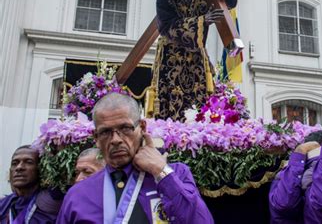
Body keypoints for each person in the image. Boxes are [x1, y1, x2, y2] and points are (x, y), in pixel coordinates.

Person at [57, 93, 213, 223]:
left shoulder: (176, 173)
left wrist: (161, 171)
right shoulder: (78, 195)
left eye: (125, 128)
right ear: (96, 137)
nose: (115, 139)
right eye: (105, 132)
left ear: (143, 128)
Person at [153, 0, 238, 121]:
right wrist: (201, 21)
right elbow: (166, 28)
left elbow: (228, 3)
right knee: (171, 97)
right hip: (172, 54)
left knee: (200, 97)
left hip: (197, 54)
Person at [0, 146, 62, 223]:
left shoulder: (51, 206)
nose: (19, 167)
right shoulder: (3, 205)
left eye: (29, 162)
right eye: (14, 163)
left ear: (41, 169)